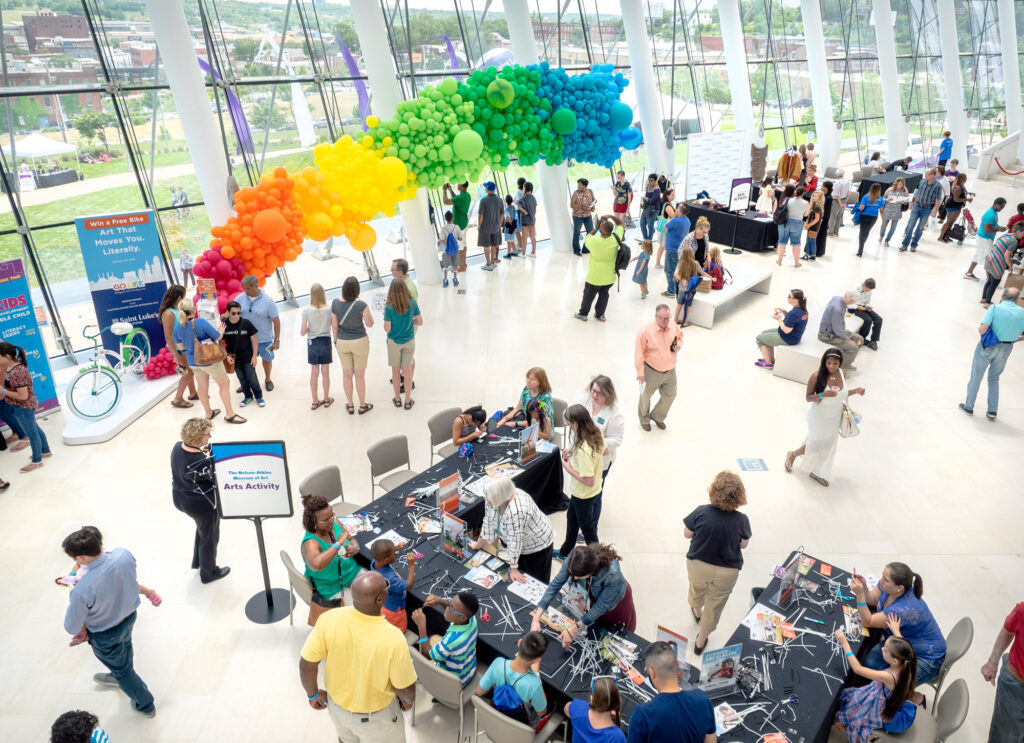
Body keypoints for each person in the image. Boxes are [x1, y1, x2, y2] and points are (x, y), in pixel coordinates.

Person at [299, 572, 417, 742]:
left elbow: (306, 663)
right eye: (386, 586)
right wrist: (408, 701)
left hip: (337, 711)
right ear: (380, 600)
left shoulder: (328, 619)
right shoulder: (393, 638)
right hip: (376, 721)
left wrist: (312, 694)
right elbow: (405, 688)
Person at [62, 527, 156, 717]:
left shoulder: (82, 590)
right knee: (125, 644)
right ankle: (119, 674)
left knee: (122, 669)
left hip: (105, 632)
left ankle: (145, 703)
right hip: (129, 617)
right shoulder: (123, 555)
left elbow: (71, 626)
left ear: (80, 558)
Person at [684, 471, 751, 654]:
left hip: (699, 564)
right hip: (727, 570)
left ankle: (697, 612)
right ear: (739, 496)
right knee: (715, 605)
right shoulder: (741, 520)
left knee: (696, 588)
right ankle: (700, 641)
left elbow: (687, 533)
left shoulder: (701, 511)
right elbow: (744, 544)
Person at [850, 562, 947, 684]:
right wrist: (864, 587)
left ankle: (910, 696)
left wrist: (859, 595)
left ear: (899, 587)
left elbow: (868, 621)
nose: (881, 580)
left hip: (926, 658)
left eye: (886, 579)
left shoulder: (903, 609)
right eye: (882, 576)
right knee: (869, 662)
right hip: (901, 640)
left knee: (880, 673)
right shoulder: (890, 587)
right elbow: (873, 599)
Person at [785, 348, 866, 487]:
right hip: (818, 415)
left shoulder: (843, 373)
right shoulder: (816, 376)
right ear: (824, 362)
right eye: (829, 363)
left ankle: (818, 472)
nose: (832, 366)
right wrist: (823, 394)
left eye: (835, 363)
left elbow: (842, 394)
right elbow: (808, 397)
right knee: (815, 442)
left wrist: (856, 391)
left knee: (829, 444)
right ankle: (793, 454)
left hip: (835, 415)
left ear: (840, 363)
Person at [533, 543, 637, 645]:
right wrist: (536, 618)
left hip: (616, 605)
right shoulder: (575, 559)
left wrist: (574, 628)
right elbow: (555, 585)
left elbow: (600, 607)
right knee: (594, 626)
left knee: (613, 635)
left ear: (590, 571)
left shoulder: (612, 575)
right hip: (594, 596)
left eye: (578, 576)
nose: (574, 578)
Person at [170, 417, 229, 583]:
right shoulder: (201, 462)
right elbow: (215, 480)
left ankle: (199, 561)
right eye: (207, 434)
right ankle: (208, 572)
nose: (209, 437)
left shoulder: (177, 447)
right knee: (209, 536)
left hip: (180, 497)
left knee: (202, 529)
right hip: (201, 504)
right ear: (197, 437)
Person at [834, 628, 918, 743]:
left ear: (895, 661)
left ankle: (843, 728)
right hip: (884, 697)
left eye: (886, 650)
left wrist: (844, 643)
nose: (882, 649)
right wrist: (896, 631)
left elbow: (858, 669)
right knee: (850, 699)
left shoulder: (889, 676)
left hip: (876, 704)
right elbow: (905, 648)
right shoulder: (906, 665)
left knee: (852, 718)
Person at [470, 477, 556, 584]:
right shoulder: (493, 500)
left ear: (500, 497)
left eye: (489, 497)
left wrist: (514, 569)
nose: (485, 499)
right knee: (520, 575)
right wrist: (478, 545)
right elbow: (488, 522)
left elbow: (515, 541)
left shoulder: (516, 511)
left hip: (537, 545)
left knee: (536, 580)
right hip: (518, 543)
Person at [626, 641, 715, 743]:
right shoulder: (703, 699)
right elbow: (711, 740)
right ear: (677, 664)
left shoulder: (642, 715)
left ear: (651, 672)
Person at [172, 300, 244, 424]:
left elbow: (181, 347)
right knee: (224, 384)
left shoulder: (178, 327)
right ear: (193, 310)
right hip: (210, 360)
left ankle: (208, 413)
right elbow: (218, 337)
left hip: (193, 362)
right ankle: (230, 414)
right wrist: (221, 330)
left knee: (202, 386)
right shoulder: (200, 322)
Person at [571, 375, 624, 537]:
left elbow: (616, 439)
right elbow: (575, 423)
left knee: (595, 494)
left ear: (608, 394)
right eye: (593, 391)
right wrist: (572, 447)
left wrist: (599, 444)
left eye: (599, 393)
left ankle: (590, 527)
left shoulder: (615, 415)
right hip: (581, 455)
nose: (594, 396)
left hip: (599, 462)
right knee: (582, 489)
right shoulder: (584, 401)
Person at [960, 287, 1024, 420]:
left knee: (976, 377)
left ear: (1002, 297)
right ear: (1017, 299)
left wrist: (980, 328)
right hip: (1006, 348)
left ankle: (969, 406)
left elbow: (982, 330)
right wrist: (1015, 339)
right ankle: (992, 411)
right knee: (994, 379)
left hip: (987, 347)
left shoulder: (995, 309)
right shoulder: (1022, 312)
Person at [301, 493, 362, 623]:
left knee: (381, 585)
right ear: (313, 522)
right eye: (326, 520)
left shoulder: (334, 522)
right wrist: (338, 544)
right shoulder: (310, 543)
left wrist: (354, 547)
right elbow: (316, 564)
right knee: (360, 617)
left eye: (332, 516)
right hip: (333, 587)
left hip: (352, 573)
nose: (331, 522)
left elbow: (350, 538)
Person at [557, 404, 605, 553]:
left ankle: (598, 561)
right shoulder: (596, 433)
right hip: (590, 491)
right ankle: (566, 551)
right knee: (571, 519)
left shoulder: (584, 449)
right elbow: (604, 450)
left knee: (588, 530)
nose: (569, 427)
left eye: (570, 424)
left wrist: (568, 468)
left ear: (576, 423)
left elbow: (588, 481)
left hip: (584, 494)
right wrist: (573, 451)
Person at [476, 632, 549, 725]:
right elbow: (541, 712)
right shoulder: (534, 684)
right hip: (519, 725)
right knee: (550, 704)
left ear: (519, 643)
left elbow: (479, 691)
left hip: (494, 716)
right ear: (537, 659)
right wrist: (536, 674)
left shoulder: (498, 663)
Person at [0, 342, 50, 471]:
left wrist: (3, 391)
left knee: (31, 433)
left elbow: (23, 396)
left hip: (24, 406)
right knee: (35, 429)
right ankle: (45, 450)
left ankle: (37, 461)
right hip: (20, 406)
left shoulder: (18, 371)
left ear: (6, 356)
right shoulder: (11, 368)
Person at [412, 591, 479, 686]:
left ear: (462, 618)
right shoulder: (472, 620)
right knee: (431, 638)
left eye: (451, 608)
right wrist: (440, 601)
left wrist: (421, 626)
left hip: (453, 682)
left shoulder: (452, 641)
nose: (447, 609)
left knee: (424, 648)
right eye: (449, 603)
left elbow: (429, 655)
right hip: (468, 671)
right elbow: (455, 612)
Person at [635, 305, 683, 431]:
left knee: (671, 394)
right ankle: (644, 419)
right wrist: (640, 371)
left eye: (668, 318)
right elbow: (639, 352)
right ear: (656, 317)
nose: (666, 322)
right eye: (663, 319)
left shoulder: (672, 326)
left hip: (670, 371)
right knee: (645, 396)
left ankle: (657, 416)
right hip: (651, 372)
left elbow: (680, 337)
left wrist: (679, 344)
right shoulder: (645, 331)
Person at [982, 601, 1024, 743]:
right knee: (1005, 738)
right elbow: (1008, 630)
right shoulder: (1022, 610)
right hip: (1016, 686)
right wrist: (992, 661)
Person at [332, 276, 374, 415]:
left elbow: (334, 325)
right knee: (360, 376)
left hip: (342, 342)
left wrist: (335, 341)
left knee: (347, 375)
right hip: (359, 342)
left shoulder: (335, 303)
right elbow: (370, 324)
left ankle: (350, 405)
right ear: (357, 290)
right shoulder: (361, 305)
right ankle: (362, 405)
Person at [575, 214, 624, 322]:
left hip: (594, 277)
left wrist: (596, 227)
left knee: (588, 295)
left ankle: (583, 314)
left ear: (601, 230)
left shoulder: (594, 241)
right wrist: (611, 216)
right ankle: (600, 315)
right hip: (609, 276)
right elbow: (620, 224)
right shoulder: (615, 238)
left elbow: (587, 237)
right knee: (604, 295)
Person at [237, 275, 280, 391]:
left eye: (247, 289)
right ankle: (248, 382)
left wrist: (276, 340)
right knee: (247, 363)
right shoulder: (240, 298)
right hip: (246, 340)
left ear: (256, 286)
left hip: (265, 339)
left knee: (267, 359)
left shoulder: (268, 301)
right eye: (244, 288)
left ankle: (268, 379)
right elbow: (232, 311)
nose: (245, 291)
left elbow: (276, 321)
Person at [384, 279, 422, 410]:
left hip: (394, 342)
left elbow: (387, 329)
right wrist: (411, 322)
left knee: (395, 372)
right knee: (407, 371)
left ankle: (397, 399)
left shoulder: (388, 306)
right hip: (409, 341)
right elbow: (420, 321)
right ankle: (407, 400)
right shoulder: (412, 303)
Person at [158, 285, 198, 409]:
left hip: (184, 347)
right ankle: (178, 398)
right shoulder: (169, 313)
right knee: (188, 372)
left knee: (189, 370)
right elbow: (168, 336)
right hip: (179, 349)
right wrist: (175, 354)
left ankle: (193, 393)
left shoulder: (176, 311)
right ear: (179, 297)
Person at [220, 300, 262, 408]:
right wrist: (226, 356)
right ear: (228, 312)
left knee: (252, 378)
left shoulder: (246, 323)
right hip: (234, 359)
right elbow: (220, 342)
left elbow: (255, 340)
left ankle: (258, 396)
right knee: (242, 379)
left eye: (239, 313)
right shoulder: (224, 326)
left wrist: (254, 357)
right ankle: (248, 396)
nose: (236, 315)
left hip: (248, 357)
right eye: (233, 313)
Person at [755, 289, 808, 368]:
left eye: (789, 296)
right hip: (794, 336)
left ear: (795, 300)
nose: (787, 297)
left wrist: (778, 319)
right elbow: (793, 321)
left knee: (759, 338)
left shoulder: (794, 313)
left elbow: (786, 330)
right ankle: (772, 359)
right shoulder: (802, 310)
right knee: (764, 333)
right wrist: (784, 312)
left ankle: (768, 363)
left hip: (788, 338)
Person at [301, 283, 333, 410]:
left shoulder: (307, 311)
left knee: (314, 373)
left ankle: (315, 401)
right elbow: (333, 324)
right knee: (325, 372)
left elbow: (303, 331)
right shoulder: (329, 309)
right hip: (325, 341)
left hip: (313, 343)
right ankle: (326, 399)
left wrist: (310, 328)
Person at [564, 676, 625, 743]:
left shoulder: (579, 708)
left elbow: (566, 708)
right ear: (617, 701)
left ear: (592, 698)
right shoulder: (616, 737)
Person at [371, 539, 414, 632]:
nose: (396, 554)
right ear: (386, 560)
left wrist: (395, 547)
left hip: (383, 602)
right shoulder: (391, 580)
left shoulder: (375, 562)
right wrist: (411, 566)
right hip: (394, 609)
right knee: (399, 628)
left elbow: (381, 553)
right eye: (394, 553)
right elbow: (409, 586)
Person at [818, 291, 864, 370]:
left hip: (838, 330)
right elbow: (837, 331)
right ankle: (839, 365)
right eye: (855, 300)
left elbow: (839, 320)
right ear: (851, 301)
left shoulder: (837, 298)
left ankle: (848, 361)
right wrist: (849, 340)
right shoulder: (837, 309)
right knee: (854, 348)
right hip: (827, 335)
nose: (856, 302)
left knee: (860, 339)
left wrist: (843, 326)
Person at [901, 168, 943, 252]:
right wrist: (912, 204)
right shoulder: (922, 181)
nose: (925, 175)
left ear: (932, 175)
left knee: (920, 228)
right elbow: (916, 193)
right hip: (917, 206)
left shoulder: (938, 185)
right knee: (910, 226)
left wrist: (935, 211)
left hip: (927, 209)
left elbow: (938, 200)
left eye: (927, 174)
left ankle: (914, 245)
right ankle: (905, 245)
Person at [981, 226, 1024, 307]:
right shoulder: (1014, 241)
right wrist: (1010, 266)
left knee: (989, 281)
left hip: (989, 258)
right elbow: (1006, 255)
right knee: (994, 283)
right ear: (1018, 231)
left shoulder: (1006, 235)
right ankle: (987, 303)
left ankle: (983, 298)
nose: (1023, 236)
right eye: (1023, 233)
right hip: (997, 263)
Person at [967, 197, 1006, 280]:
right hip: (984, 239)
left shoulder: (993, 212)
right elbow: (987, 229)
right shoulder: (990, 214)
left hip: (985, 238)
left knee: (979, 255)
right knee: (988, 258)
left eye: (1003, 207)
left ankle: (969, 273)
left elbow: (988, 223)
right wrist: (999, 229)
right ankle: (988, 277)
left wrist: (998, 227)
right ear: (996, 204)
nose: (1002, 209)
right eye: (1001, 207)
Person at [673, 246, 709, 327]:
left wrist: (682, 280)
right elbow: (703, 273)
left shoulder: (680, 263)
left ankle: (675, 319)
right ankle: (685, 322)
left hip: (682, 288)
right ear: (692, 254)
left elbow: (675, 274)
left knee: (679, 304)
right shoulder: (695, 263)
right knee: (688, 305)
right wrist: (711, 277)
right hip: (691, 289)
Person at [661, 203, 690, 295]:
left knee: (669, 270)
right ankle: (677, 287)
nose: (676, 209)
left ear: (680, 211)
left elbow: (664, 227)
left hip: (672, 250)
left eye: (677, 208)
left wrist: (673, 217)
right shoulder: (687, 221)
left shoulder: (675, 221)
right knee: (677, 269)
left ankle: (671, 291)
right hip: (680, 249)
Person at [443, 181, 472, 270]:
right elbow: (456, 199)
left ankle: (462, 266)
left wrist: (444, 191)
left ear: (463, 187)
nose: (457, 185)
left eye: (459, 184)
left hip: (459, 225)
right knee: (464, 244)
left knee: (460, 246)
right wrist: (450, 190)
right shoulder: (467, 195)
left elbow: (446, 201)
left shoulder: (461, 198)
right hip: (464, 222)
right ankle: (464, 264)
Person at [776, 185, 804, 267]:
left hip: (785, 223)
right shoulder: (805, 202)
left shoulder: (786, 200)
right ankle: (796, 263)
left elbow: (780, 209)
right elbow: (806, 214)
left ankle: (779, 261)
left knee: (781, 242)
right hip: (797, 223)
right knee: (796, 243)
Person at [478, 181, 504, 270]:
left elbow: (481, 215)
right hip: (496, 227)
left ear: (488, 189)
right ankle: (492, 262)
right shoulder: (500, 200)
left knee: (486, 246)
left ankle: (488, 264)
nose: (485, 189)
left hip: (485, 227)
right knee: (494, 245)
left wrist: (479, 225)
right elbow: (502, 215)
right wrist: (499, 224)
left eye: (486, 187)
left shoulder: (484, 200)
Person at [851, 278, 882, 350]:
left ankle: (874, 341)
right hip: (854, 308)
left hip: (864, 307)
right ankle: (862, 339)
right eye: (867, 290)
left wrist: (868, 306)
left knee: (879, 320)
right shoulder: (854, 291)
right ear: (863, 285)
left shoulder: (869, 290)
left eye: (870, 290)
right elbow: (848, 304)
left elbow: (867, 302)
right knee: (868, 320)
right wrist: (858, 307)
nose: (869, 291)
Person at [854, 183, 884, 257]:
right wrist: (883, 221)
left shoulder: (866, 197)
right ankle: (862, 245)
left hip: (864, 216)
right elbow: (881, 211)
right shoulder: (881, 199)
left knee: (862, 232)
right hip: (873, 217)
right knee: (867, 231)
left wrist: (857, 207)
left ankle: (860, 249)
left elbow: (861, 207)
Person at [879, 177, 910, 247]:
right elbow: (882, 199)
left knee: (893, 229)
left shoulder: (904, 191)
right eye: (898, 184)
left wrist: (904, 202)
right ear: (896, 184)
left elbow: (907, 202)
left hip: (897, 213)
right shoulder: (889, 190)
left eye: (901, 184)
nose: (900, 186)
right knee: (883, 226)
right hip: (887, 211)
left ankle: (887, 240)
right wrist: (887, 200)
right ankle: (881, 236)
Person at [938, 173, 969, 242]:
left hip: (958, 206)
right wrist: (966, 199)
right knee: (948, 222)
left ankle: (946, 236)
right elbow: (956, 199)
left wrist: (969, 194)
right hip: (952, 206)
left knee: (952, 222)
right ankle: (941, 237)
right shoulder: (957, 187)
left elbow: (964, 193)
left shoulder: (962, 186)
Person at [571, 178, 597, 256]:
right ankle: (576, 251)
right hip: (577, 216)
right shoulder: (575, 193)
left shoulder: (590, 191)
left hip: (588, 215)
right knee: (577, 233)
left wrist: (593, 206)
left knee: (590, 232)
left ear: (584, 185)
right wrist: (581, 206)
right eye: (578, 184)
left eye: (580, 184)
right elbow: (571, 205)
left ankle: (586, 249)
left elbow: (594, 200)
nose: (578, 186)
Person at [438, 210, 463, 287]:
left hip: (446, 251)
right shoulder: (457, 227)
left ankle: (445, 280)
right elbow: (460, 238)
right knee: (455, 265)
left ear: (445, 219)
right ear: (452, 218)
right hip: (455, 250)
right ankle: (455, 280)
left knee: (445, 266)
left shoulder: (443, 228)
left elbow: (442, 240)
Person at [639, 174, 661, 242]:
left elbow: (652, 201)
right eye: (649, 180)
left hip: (654, 209)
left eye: (652, 181)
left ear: (655, 181)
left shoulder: (657, 190)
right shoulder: (648, 187)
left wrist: (645, 198)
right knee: (642, 223)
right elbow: (646, 198)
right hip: (646, 208)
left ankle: (649, 240)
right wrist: (643, 205)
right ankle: (645, 239)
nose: (650, 182)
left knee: (650, 226)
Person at [518, 181, 539, 256]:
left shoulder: (523, 198)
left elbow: (519, 206)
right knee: (532, 236)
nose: (523, 188)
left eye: (523, 187)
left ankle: (523, 253)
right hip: (532, 219)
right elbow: (535, 208)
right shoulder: (533, 198)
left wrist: (524, 211)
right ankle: (533, 252)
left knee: (524, 237)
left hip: (525, 220)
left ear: (525, 188)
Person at [803, 190, 824, 260]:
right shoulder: (814, 206)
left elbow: (817, 219)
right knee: (809, 240)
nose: (814, 197)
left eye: (816, 196)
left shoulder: (817, 207)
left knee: (811, 241)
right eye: (813, 196)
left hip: (814, 227)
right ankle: (808, 254)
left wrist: (809, 225)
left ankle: (812, 255)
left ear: (819, 198)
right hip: (812, 227)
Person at [829, 171, 851, 235]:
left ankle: (830, 232)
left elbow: (837, 194)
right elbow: (849, 193)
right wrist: (845, 202)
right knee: (839, 217)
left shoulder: (837, 183)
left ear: (836, 175)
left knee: (833, 217)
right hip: (844, 200)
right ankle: (836, 232)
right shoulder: (847, 182)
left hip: (837, 201)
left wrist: (840, 203)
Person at [503, 194, 519, 259]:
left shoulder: (506, 209)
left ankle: (509, 254)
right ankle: (515, 252)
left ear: (506, 201)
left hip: (508, 227)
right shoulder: (513, 207)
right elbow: (516, 215)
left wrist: (508, 220)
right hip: (513, 227)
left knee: (508, 241)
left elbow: (508, 217)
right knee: (511, 240)